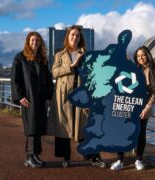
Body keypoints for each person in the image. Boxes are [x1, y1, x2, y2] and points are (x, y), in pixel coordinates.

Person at [47, 25, 106, 168]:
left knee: (86, 126)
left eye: (77, 35)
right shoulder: (59, 55)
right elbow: (54, 72)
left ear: (80, 38)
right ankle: (66, 158)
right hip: (64, 96)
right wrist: (71, 66)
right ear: (67, 37)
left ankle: (94, 157)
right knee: (64, 126)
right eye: (72, 35)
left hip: (82, 94)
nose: (75, 37)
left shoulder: (86, 54)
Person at [110, 46, 155, 171]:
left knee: (140, 134)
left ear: (148, 55)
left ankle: (139, 160)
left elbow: (154, 94)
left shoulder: (153, 72)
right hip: (129, 105)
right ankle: (120, 160)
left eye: (143, 55)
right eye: (138, 56)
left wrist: (147, 109)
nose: (141, 58)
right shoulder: (134, 69)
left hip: (143, 108)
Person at [11, 32, 54, 168]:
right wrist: (20, 97)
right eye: (32, 40)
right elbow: (15, 79)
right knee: (31, 127)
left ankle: (35, 155)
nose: (35, 42)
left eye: (37, 40)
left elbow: (48, 81)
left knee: (39, 127)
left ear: (40, 42)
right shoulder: (20, 58)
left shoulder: (42, 59)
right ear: (28, 42)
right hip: (28, 99)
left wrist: (48, 97)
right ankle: (29, 157)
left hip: (41, 99)